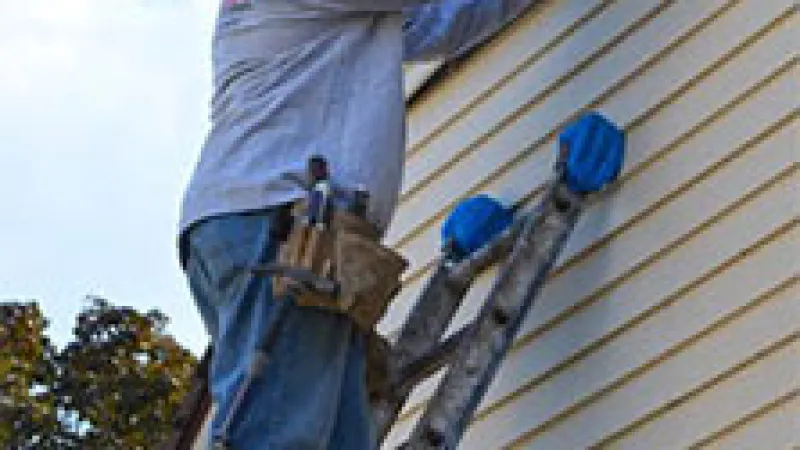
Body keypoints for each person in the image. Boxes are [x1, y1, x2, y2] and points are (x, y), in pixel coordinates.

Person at [179, 0, 537, 448]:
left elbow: (445, 21)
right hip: (282, 230)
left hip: (267, 229)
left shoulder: (351, 17)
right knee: (277, 437)